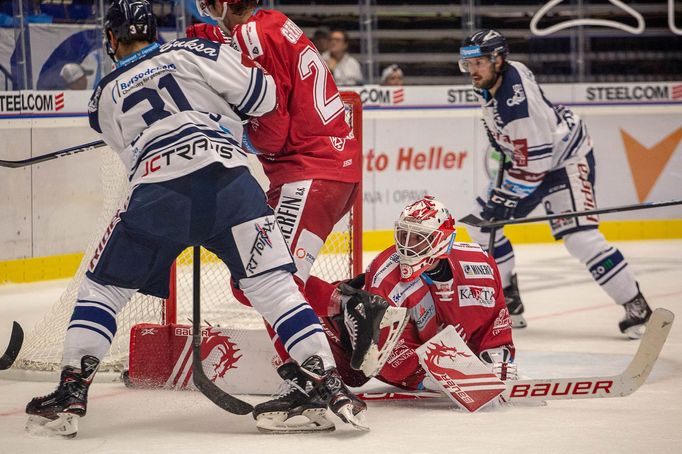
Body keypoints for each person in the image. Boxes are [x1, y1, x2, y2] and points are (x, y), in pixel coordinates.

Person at [25, 0, 366, 438]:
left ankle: (70, 394)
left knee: (103, 289)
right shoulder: (194, 52)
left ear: (111, 39)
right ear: (156, 32)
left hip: (159, 195)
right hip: (233, 187)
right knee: (274, 287)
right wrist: (219, 111)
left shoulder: (103, 95)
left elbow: (128, 152)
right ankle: (329, 382)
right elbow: (261, 96)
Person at [187, 0, 368, 432]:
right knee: (256, 280)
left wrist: (231, 124)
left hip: (309, 173)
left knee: (267, 280)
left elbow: (273, 128)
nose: (206, 7)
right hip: (329, 173)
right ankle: (351, 306)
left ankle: (313, 384)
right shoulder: (272, 23)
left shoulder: (253, 35)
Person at [458, 29, 652, 338]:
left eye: (479, 62)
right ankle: (509, 302)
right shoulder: (509, 70)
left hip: (565, 161)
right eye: (468, 64)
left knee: (580, 239)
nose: (472, 71)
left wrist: (505, 201)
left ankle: (636, 305)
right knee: (482, 224)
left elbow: (537, 164)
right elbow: (528, 152)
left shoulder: (515, 106)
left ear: (498, 59)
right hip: (536, 157)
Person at [304, 195, 516, 391]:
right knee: (353, 376)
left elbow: (494, 317)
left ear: (442, 240)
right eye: (404, 235)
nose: (407, 246)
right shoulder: (385, 276)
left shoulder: (479, 265)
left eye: (417, 238)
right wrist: (427, 377)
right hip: (339, 338)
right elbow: (383, 354)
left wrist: (496, 358)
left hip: (429, 346)